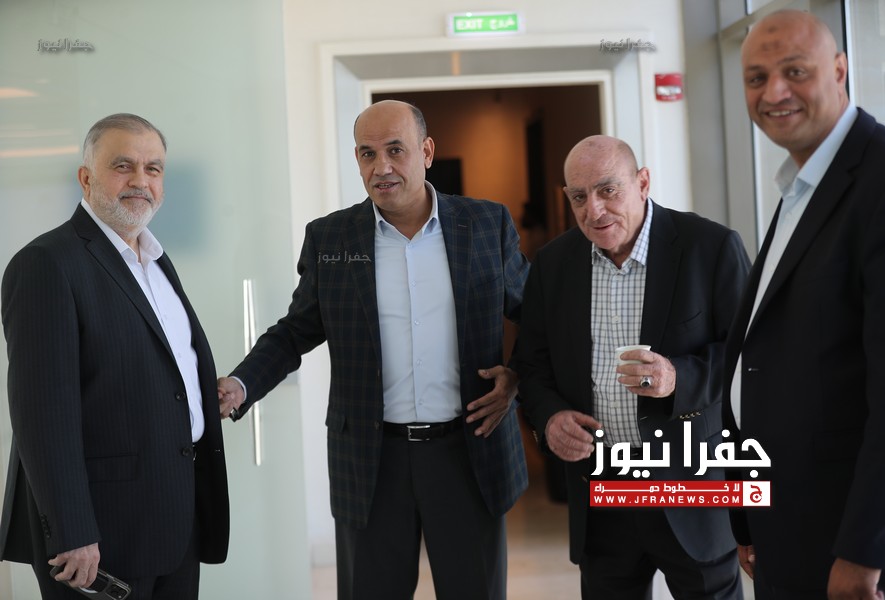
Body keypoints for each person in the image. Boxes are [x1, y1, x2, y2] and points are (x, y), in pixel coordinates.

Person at [218, 100, 529, 600]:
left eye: (395, 150)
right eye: (367, 153)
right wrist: (241, 383)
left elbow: (536, 316)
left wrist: (516, 377)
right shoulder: (331, 237)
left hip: (469, 451)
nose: (381, 166)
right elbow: (295, 331)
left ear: (427, 152)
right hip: (371, 459)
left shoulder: (485, 225)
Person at [0, 113, 229, 599]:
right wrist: (72, 530)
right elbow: (41, 414)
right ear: (86, 178)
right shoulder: (46, 263)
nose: (141, 180)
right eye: (123, 166)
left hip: (176, 519)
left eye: (153, 168)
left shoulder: (156, 261)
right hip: (99, 536)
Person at [515, 134, 750, 599]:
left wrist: (679, 378)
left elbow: (751, 357)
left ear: (642, 182)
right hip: (602, 490)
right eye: (579, 197)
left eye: (608, 190)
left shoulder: (710, 246)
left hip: (691, 486)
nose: (594, 210)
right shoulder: (552, 265)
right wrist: (550, 418)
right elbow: (530, 365)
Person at [724, 9, 885, 599]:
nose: (774, 92)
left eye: (795, 71)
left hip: (850, 550)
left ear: (840, 70)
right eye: (756, 78)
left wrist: (864, 553)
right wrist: (748, 513)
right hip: (790, 527)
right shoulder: (802, 186)